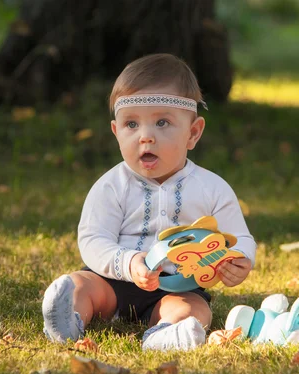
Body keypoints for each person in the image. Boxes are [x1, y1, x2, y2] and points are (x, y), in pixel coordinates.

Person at [42, 53, 256, 351]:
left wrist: (239, 259)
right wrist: (129, 263)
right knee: (82, 284)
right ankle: (68, 315)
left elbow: (240, 237)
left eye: (162, 123)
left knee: (195, 309)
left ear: (193, 133)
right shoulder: (111, 186)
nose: (146, 137)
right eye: (132, 125)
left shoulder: (212, 188)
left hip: (178, 287)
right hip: (112, 281)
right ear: (116, 132)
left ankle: (168, 332)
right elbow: (93, 239)